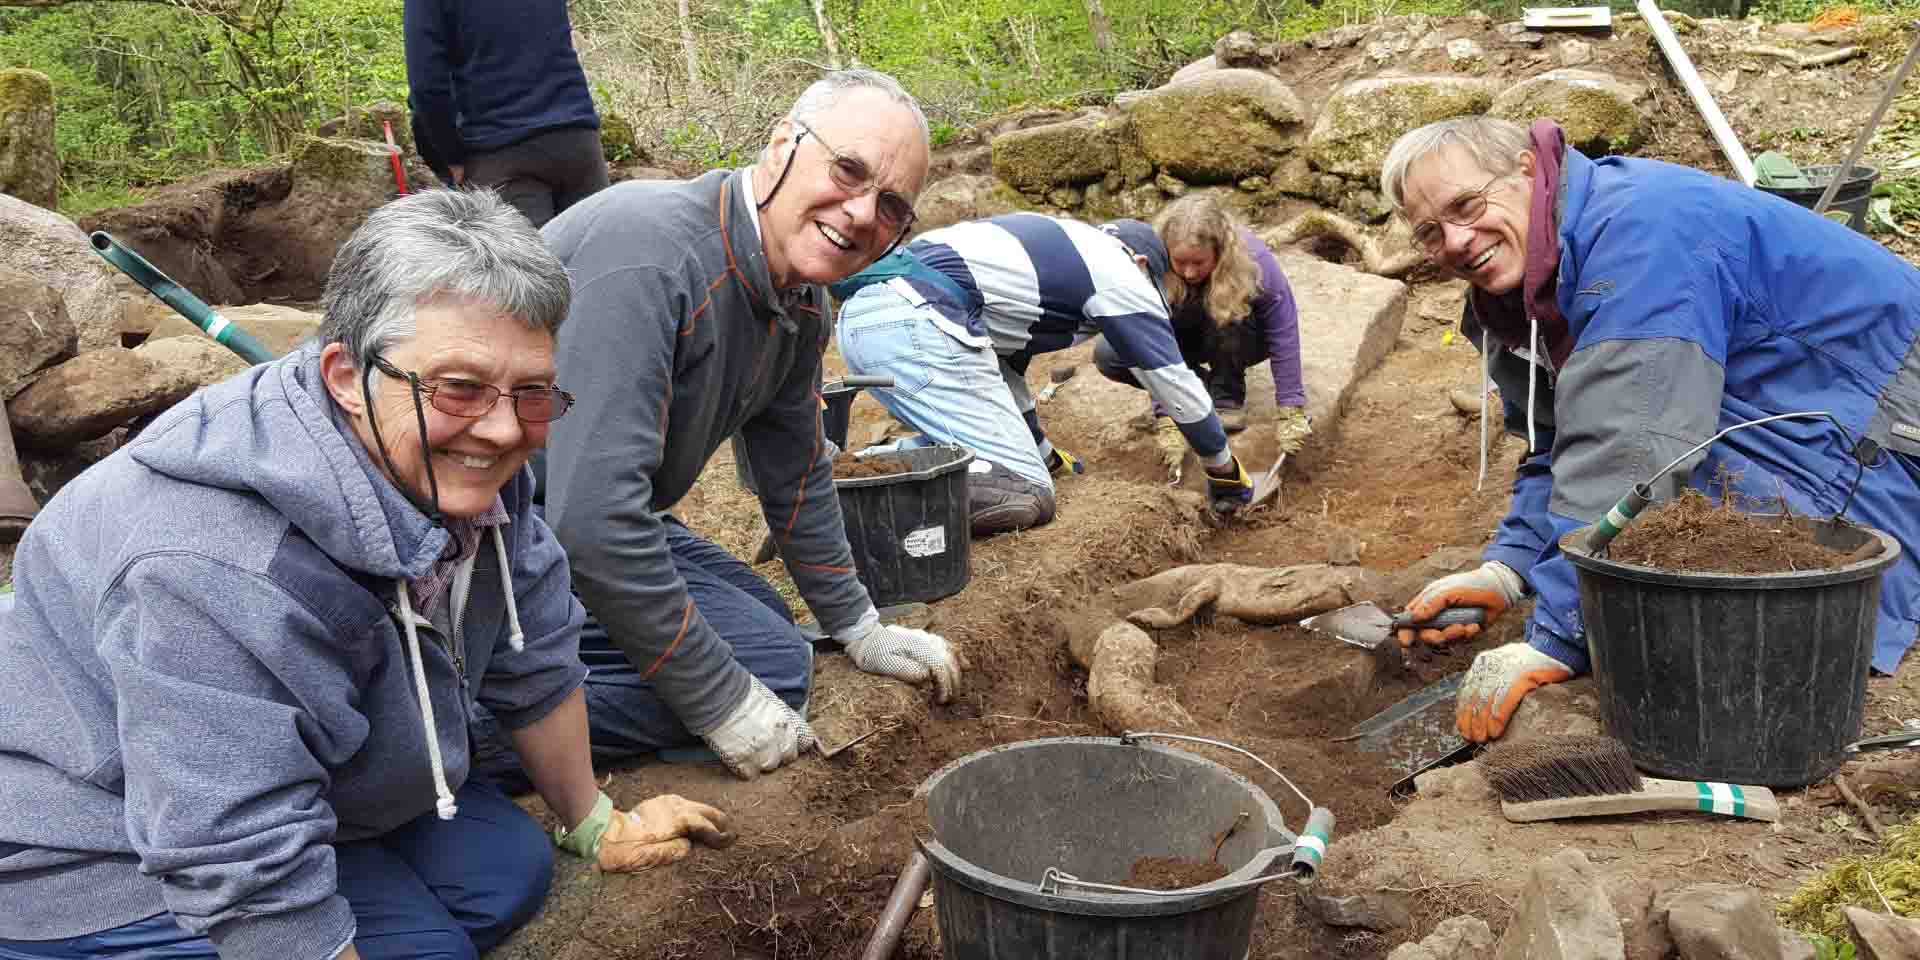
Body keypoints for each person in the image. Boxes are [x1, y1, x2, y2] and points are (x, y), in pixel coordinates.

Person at [0, 190, 733, 960]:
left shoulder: (457, 456)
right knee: (420, 945)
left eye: (533, 391)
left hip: (301, 771)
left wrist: (594, 821)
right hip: (83, 833)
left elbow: (534, 654)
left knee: (504, 875)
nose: (506, 428)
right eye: (460, 387)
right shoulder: (210, 563)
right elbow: (237, 853)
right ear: (346, 374)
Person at [1378, 116, 1920, 743]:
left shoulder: (1639, 234)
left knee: (1710, 532)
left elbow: (1631, 443)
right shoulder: (1524, 292)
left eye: (1467, 205)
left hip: (1886, 415)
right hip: (1805, 399)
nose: (1456, 239)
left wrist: (1558, 636)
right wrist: (1508, 569)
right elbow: (1561, 443)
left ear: (1528, 169)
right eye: (1430, 232)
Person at [528, 69, 960, 785]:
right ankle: (465, 718)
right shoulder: (654, 255)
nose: (859, 213)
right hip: (475, 534)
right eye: (847, 170)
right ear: (782, 144)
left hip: (566, 516)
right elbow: (594, 523)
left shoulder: (800, 301)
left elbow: (795, 475)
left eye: (890, 207)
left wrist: (858, 625)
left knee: (761, 616)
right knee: (766, 663)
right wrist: (719, 700)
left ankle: (531, 666)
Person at [830, 213, 1258, 535]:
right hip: (916, 325)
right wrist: (1223, 470)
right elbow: (1174, 382)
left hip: (865, 323)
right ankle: (850, 503)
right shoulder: (1120, 272)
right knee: (1027, 490)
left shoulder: (1052, 250)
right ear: (1144, 262)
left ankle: (850, 472)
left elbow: (1002, 375)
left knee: (994, 456)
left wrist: (1046, 453)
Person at [1094, 193, 1312, 477]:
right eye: (1180, 262)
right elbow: (1146, 336)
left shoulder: (1254, 260)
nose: (1188, 272)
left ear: (1219, 252)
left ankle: (1226, 397)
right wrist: (1166, 410)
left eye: (1199, 262)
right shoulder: (1150, 263)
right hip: (1186, 336)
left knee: (1229, 310)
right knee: (1110, 354)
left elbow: (1283, 330)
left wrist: (1291, 406)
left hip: (1241, 337)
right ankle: (1194, 386)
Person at [403, 0, 610, 227]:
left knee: (523, 263)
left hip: (500, 153)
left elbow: (427, 86)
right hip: (577, 140)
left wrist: (449, 158)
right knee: (600, 258)